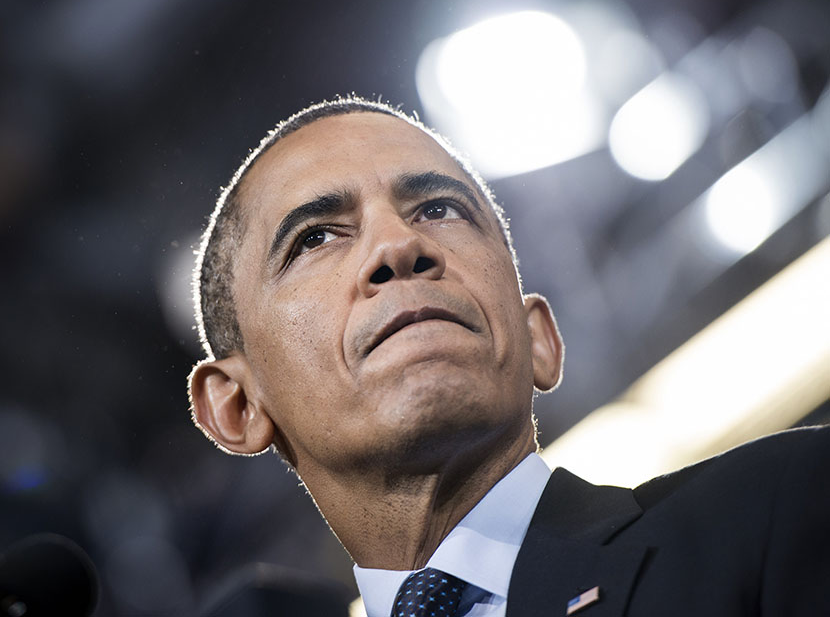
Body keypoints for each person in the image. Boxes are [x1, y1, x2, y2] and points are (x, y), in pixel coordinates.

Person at [187, 96, 830, 617]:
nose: (398, 245)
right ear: (237, 406)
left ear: (539, 341)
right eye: (316, 237)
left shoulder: (786, 509)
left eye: (439, 209)